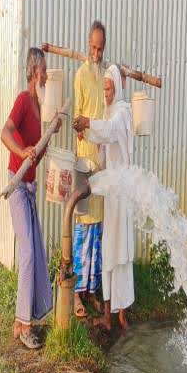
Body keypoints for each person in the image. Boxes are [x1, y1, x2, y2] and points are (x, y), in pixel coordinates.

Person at [0, 47, 61, 349]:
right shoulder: (24, 102)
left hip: (31, 187)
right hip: (17, 187)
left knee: (35, 252)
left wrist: (52, 131)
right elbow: (5, 133)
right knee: (26, 254)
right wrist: (20, 151)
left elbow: (40, 149)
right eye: (44, 70)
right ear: (33, 71)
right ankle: (25, 327)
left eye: (47, 70)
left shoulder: (42, 108)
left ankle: (21, 320)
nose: (47, 75)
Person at [73, 64, 135, 330]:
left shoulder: (122, 112)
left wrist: (88, 123)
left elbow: (109, 131)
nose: (106, 94)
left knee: (120, 253)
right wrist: (90, 137)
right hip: (112, 198)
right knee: (111, 251)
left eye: (109, 89)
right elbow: (103, 153)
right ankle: (112, 314)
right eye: (104, 89)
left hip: (121, 196)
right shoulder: (111, 114)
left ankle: (120, 315)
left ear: (117, 88)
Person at [72, 21, 107, 320]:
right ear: (87, 44)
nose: (96, 53)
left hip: (102, 158)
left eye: (100, 48)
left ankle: (92, 289)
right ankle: (76, 294)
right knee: (83, 223)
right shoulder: (81, 75)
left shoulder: (105, 75)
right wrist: (81, 127)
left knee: (98, 227)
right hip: (85, 158)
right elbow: (78, 117)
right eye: (93, 47)